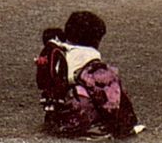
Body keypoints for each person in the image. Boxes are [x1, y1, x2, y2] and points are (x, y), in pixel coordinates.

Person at [35, 11, 141, 139]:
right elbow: (109, 97)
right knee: (108, 86)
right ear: (95, 40)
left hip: (57, 117)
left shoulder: (60, 53)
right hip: (79, 119)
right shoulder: (89, 62)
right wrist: (124, 122)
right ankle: (95, 129)